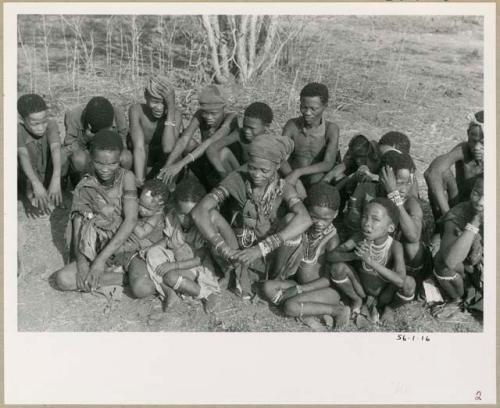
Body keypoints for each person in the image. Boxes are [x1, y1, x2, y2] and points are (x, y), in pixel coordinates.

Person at [191, 135, 312, 297]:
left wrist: (260, 249)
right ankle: (237, 272)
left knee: (292, 221)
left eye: (264, 170)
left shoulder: (283, 188)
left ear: (276, 167)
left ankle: (272, 279)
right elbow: (199, 211)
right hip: (237, 248)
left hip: (268, 253)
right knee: (211, 215)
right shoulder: (237, 179)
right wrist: (223, 248)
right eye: (252, 168)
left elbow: (305, 219)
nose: (256, 174)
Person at [129, 176, 238, 312]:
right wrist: (152, 248)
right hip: (175, 258)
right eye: (182, 214)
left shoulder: (203, 227)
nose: (187, 219)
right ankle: (172, 292)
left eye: (191, 214)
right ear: (175, 207)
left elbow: (200, 258)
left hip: (194, 266)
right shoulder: (172, 217)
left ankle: (206, 294)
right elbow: (169, 240)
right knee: (152, 253)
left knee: (170, 277)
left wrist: (173, 265)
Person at [55, 130, 138, 293]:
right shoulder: (85, 185)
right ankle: (119, 277)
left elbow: (131, 220)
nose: (105, 169)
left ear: (120, 159)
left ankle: (104, 273)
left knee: (140, 281)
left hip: (122, 242)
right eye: (100, 163)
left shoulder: (126, 177)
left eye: (112, 163)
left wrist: (100, 261)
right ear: (91, 159)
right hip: (94, 244)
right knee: (63, 280)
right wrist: (82, 264)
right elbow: (78, 225)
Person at [261, 183, 350, 330]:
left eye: (325, 219)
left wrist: (300, 290)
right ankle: (310, 310)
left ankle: (337, 310)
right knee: (267, 287)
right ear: (306, 211)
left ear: (335, 215)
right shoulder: (304, 227)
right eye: (314, 217)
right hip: (298, 285)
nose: (320, 223)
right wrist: (297, 288)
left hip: (325, 291)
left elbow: (328, 279)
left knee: (290, 306)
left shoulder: (332, 239)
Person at [329, 198, 416, 323]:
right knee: (337, 268)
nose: (367, 223)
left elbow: (400, 280)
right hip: (361, 290)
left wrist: (369, 260)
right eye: (364, 217)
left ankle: (389, 309)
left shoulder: (395, 246)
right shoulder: (358, 237)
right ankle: (357, 300)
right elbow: (331, 256)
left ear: (390, 228)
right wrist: (354, 256)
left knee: (409, 283)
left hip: (384, 295)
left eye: (375, 219)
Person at [158, 84, 239, 190]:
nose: (209, 117)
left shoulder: (231, 118)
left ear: (224, 108)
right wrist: (168, 165)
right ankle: (205, 186)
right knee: (189, 144)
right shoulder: (200, 115)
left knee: (221, 152)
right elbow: (184, 139)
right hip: (209, 162)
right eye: (205, 112)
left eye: (213, 113)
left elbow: (209, 142)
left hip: (228, 168)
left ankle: (228, 190)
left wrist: (180, 164)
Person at [424, 111, 484, 251]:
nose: (476, 148)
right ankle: (442, 229)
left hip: (480, 212)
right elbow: (431, 173)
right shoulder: (463, 149)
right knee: (442, 173)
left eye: (483, 143)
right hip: (457, 206)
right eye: (473, 140)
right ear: (467, 133)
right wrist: (448, 216)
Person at [378, 152, 432, 294]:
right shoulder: (374, 194)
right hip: (383, 258)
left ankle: (410, 285)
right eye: (398, 183)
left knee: (412, 245)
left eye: (408, 183)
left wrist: (394, 195)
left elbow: (413, 236)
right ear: (384, 179)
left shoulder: (411, 204)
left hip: (409, 265)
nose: (403, 189)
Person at [433, 177, 483, 318]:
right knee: (442, 263)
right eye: (476, 193)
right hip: (470, 266)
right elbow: (450, 261)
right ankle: (456, 298)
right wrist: (475, 222)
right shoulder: (459, 213)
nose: (480, 202)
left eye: (488, 195)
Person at [281, 82, 341, 195]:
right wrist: (295, 179)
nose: (307, 113)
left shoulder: (331, 129)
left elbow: (328, 163)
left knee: (318, 182)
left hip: (314, 178)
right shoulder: (292, 125)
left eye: (314, 109)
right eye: (304, 107)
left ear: (325, 106)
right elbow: (279, 157)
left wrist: (298, 172)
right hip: (290, 175)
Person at [128, 76, 184, 187]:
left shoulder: (175, 115)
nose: (160, 107)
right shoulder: (137, 110)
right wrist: (139, 180)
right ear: (145, 96)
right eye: (155, 102)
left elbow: (168, 148)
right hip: (142, 162)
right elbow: (139, 147)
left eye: (164, 103)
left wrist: (171, 110)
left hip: (163, 163)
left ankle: (166, 190)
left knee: (176, 155)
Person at [63, 96, 132, 183]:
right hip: (88, 156)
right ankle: (85, 188)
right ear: (89, 126)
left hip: (110, 154)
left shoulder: (118, 113)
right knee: (78, 159)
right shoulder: (73, 116)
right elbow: (68, 150)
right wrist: (85, 139)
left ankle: (120, 184)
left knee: (126, 157)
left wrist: (113, 138)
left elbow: (123, 143)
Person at [17, 93, 64, 215]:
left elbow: (55, 148)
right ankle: (28, 191)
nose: (41, 128)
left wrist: (56, 178)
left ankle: (52, 188)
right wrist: (35, 183)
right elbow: (23, 156)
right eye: (35, 124)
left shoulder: (51, 124)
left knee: (62, 153)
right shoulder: (18, 130)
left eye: (44, 121)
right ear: (22, 120)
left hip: (47, 173)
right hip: (29, 176)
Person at [206, 102, 274, 171]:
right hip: (241, 175)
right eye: (245, 126)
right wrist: (222, 173)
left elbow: (283, 170)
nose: (247, 131)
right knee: (223, 152)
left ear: (267, 127)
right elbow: (211, 148)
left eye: (252, 128)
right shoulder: (240, 134)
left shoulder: (272, 144)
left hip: (259, 177)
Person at [113, 179, 168, 263]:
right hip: (137, 235)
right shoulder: (149, 208)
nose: (142, 210)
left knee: (125, 246)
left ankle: (114, 253)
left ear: (160, 208)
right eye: (141, 204)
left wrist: (129, 216)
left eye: (148, 209)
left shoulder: (156, 217)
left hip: (148, 242)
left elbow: (141, 234)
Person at [322, 134, 380, 213]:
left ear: (368, 152)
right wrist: (326, 180)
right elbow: (342, 166)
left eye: (361, 157)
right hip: (357, 176)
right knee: (339, 178)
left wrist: (371, 176)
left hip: (375, 185)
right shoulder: (353, 152)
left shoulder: (376, 155)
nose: (358, 160)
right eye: (356, 157)